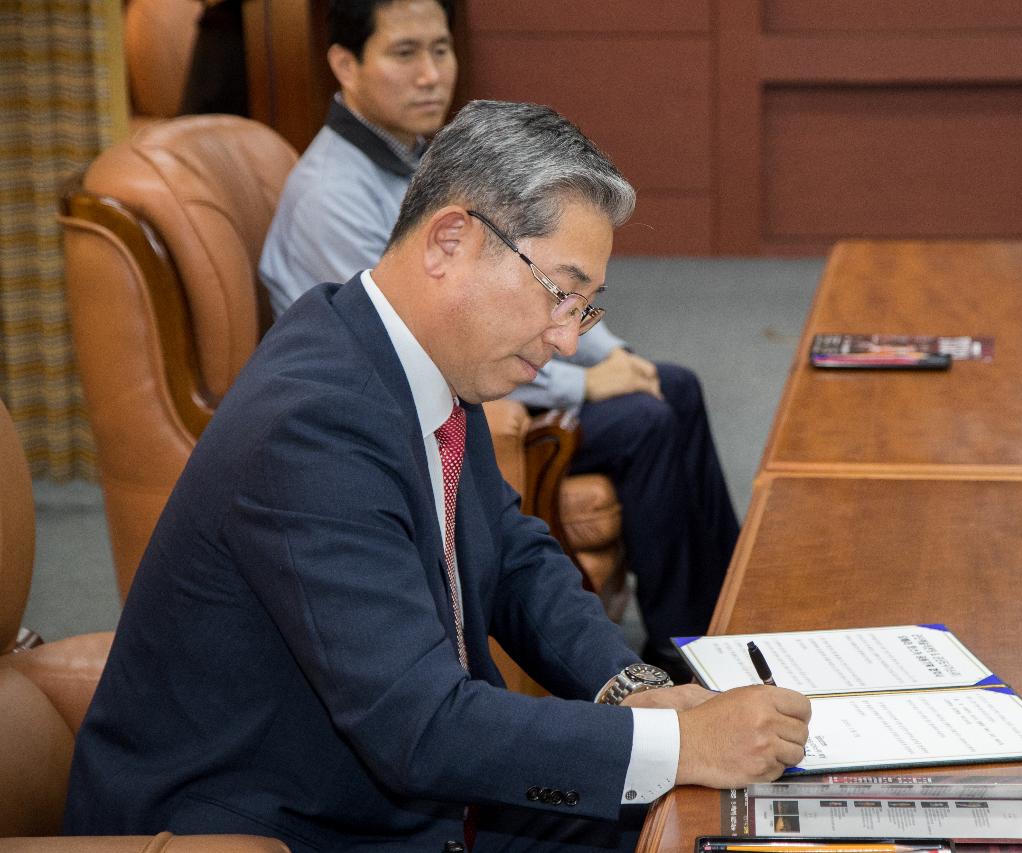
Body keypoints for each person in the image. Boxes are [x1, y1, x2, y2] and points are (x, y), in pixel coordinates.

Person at [63, 100, 811, 852]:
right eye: (560, 292)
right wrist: (680, 745)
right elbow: (417, 724)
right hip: (279, 821)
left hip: (413, 781)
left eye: (582, 309)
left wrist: (636, 689)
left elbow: (513, 555)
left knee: (739, 827)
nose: (562, 338)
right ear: (451, 239)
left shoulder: (411, 352)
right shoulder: (311, 425)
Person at [258, 0, 740, 674]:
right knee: (645, 422)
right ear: (345, 64)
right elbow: (434, 325)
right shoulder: (330, 196)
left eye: (442, 49)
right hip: (441, 400)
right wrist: (584, 379)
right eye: (405, 53)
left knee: (672, 383)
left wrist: (614, 354)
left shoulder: (426, 161)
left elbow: (538, 287)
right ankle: (679, 643)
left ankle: (723, 623)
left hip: (475, 376)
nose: (431, 74)